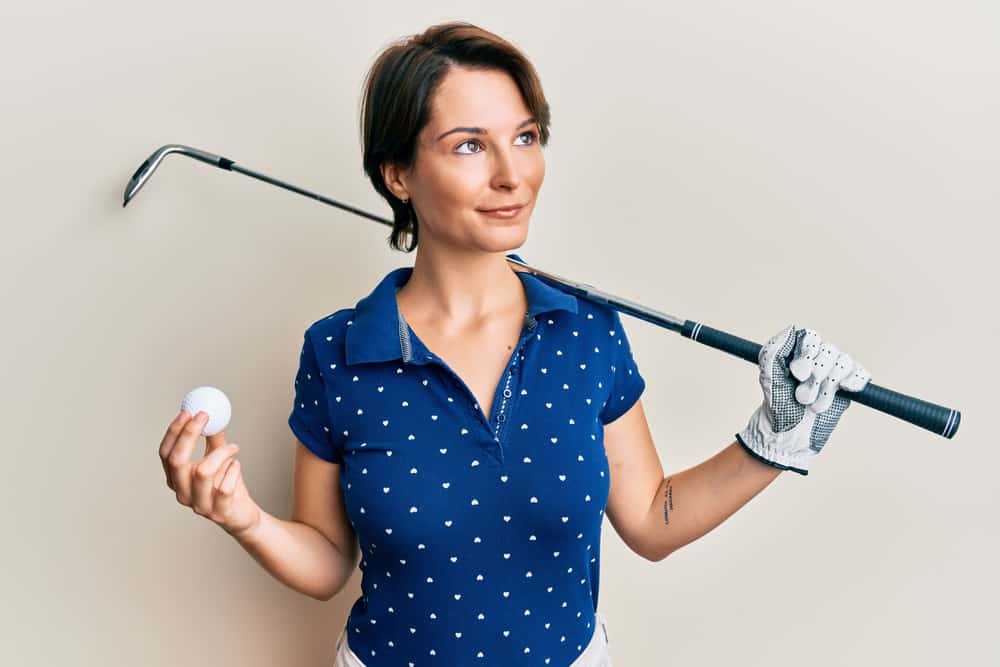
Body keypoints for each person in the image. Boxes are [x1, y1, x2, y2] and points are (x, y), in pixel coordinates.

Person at [157, 21, 872, 667]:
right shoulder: (338, 350)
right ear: (397, 173)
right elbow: (325, 561)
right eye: (469, 145)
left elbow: (654, 519)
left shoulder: (587, 331)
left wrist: (777, 437)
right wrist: (243, 519)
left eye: (525, 137)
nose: (512, 174)